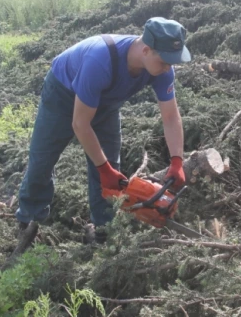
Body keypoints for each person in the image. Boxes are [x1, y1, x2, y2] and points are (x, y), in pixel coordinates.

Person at [15, 17, 191, 246]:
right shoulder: (100, 60)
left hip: (106, 105)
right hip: (62, 96)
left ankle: (103, 231)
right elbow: (80, 124)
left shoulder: (161, 70)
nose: (169, 67)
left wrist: (177, 160)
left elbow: (170, 116)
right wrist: (102, 167)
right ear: (146, 50)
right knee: (42, 160)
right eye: (166, 61)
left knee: (109, 175)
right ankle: (29, 219)